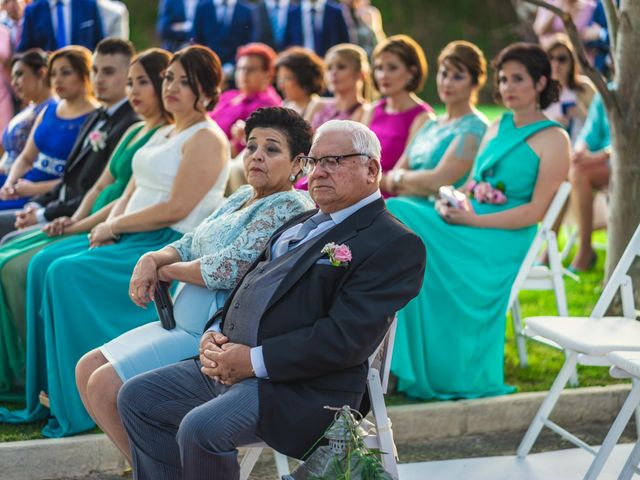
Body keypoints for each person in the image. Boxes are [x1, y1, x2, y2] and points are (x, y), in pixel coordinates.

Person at [117, 118, 426, 478]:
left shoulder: (393, 243)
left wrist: (252, 361)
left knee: (201, 429)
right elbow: (248, 284)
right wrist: (214, 331)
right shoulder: (301, 221)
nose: (319, 173)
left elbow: (344, 340)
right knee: (137, 398)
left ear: (371, 168)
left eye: (333, 161)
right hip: (234, 362)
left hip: (300, 387)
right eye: (314, 162)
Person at [0, 45, 230, 438]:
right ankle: (48, 389)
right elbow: (125, 192)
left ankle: (76, 398)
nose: (171, 87)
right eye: (169, 78)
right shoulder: (161, 130)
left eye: (184, 81)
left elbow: (177, 207)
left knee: (63, 273)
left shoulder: (207, 136)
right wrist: (96, 224)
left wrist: (117, 225)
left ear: (205, 89)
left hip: (165, 240)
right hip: (133, 230)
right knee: (44, 265)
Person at [75, 107, 315, 461]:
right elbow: (191, 241)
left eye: (272, 149)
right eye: (251, 147)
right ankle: (155, 468)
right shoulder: (240, 197)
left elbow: (231, 267)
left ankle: (162, 470)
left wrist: (167, 272)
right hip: (179, 321)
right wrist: (154, 258)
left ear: (298, 163)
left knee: (104, 384)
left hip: (211, 332)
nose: (257, 156)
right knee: (86, 369)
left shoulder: (289, 205)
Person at [388, 42, 571, 400]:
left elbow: (535, 212)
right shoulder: (496, 126)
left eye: (518, 79)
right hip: (469, 220)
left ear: (539, 83)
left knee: (400, 214)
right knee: (402, 222)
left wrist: (472, 222)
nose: (507, 87)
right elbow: (472, 186)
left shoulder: (555, 138)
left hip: (504, 236)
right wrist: (454, 202)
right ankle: (396, 363)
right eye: (503, 79)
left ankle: (402, 367)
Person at [0, 48, 171, 398]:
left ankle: (53, 375)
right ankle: (33, 370)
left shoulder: (139, 125)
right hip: (94, 216)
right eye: (127, 81)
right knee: (11, 255)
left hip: (137, 230)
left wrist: (75, 222)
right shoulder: (130, 126)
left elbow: (136, 196)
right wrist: (70, 219)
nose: (101, 81)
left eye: (114, 74)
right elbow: (100, 185)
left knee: (39, 267)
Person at [0, 38, 138, 240]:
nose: (98, 79)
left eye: (108, 72)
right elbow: (67, 176)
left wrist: (41, 213)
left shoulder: (129, 124)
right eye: (96, 71)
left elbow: (95, 188)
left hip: (76, 215)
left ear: (128, 75)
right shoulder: (97, 116)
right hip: (52, 203)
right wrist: (36, 205)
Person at [383, 41, 488, 197]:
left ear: (475, 83)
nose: (447, 83)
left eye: (457, 77)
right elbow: (395, 176)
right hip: (405, 203)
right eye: (444, 74)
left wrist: (399, 179)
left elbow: (439, 181)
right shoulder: (431, 124)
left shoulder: (475, 127)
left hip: (440, 212)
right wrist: (400, 179)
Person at [0, 46, 97, 214]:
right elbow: (26, 157)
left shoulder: (95, 117)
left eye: (65, 73)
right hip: (24, 185)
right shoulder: (49, 109)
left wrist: (34, 189)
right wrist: (9, 183)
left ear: (84, 74)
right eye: (53, 74)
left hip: (50, 198)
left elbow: (81, 180)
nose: (57, 80)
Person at [363, 34, 433, 186]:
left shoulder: (423, 117)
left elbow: (399, 176)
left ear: (412, 72)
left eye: (392, 68)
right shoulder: (372, 110)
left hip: (388, 197)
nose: (383, 75)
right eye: (379, 68)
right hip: (359, 188)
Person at [567, 85, 612, 272]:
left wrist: (602, 155)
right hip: (603, 162)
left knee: (579, 173)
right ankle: (548, 246)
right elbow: (589, 133)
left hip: (624, 163)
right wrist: (580, 151)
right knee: (572, 169)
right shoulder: (607, 93)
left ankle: (585, 250)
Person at [209, 43, 281, 157]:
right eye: (240, 68)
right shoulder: (229, 95)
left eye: (251, 69)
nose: (244, 74)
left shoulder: (268, 104)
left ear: (268, 74)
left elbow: (238, 150)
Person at [0, 50, 53, 178]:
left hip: (24, 182)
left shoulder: (54, 110)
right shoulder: (27, 110)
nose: (14, 83)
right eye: (12, 78)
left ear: (42, 73)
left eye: (19, 74)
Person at [543, 34, 596, 144]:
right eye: (550, 58)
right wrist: (552, 125)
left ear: (572, 61)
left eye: (561, 59)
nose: (555, 64)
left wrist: (583, 114)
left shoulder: (584, 87)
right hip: (549, 152)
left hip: (581, 153)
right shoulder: (538, 90)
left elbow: (603, 123)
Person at [307, 43, 370, 130]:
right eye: (329, 68)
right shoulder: (317, 105)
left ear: (361, 74)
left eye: (341, 67)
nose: (333, 73)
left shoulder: (367, 112)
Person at [17, 0, 104, 52]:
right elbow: (24, 50)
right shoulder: (32, 11)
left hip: (84, 75)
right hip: (49, 77)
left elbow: (100, 44)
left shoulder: (89, 5)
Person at [192, 0, 255, 70]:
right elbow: (196, 38)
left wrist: (231, 65)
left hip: (234, 69)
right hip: (206, 67)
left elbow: (248, 42)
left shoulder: (247, 10)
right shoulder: (202, 7)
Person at [284, 0, 350, 57]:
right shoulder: (293, 13)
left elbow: (345, 41)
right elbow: (288, 41)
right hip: (301, 64)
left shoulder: (336, 12)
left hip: (328, 62)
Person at [275, 46, 325, 118]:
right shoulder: (285, 105)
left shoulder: (319, 109)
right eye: (280, 78)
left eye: (287, 78)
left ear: (305, 78)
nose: (281, 86)